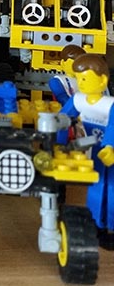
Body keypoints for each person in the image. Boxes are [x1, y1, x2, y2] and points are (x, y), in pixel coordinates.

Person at [59, 53, 114, 249]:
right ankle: (96, 225)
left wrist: (110, 146)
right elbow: (61, 119)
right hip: (94, 150)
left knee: (111, 189)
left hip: (108, 150)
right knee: (97, 187)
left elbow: (113, 126)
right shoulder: (78, 100)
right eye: (78, 78)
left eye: (85, 78)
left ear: (102, 80)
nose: (80, 83)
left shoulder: (110, 104)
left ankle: (111, 227)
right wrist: (58, 142)